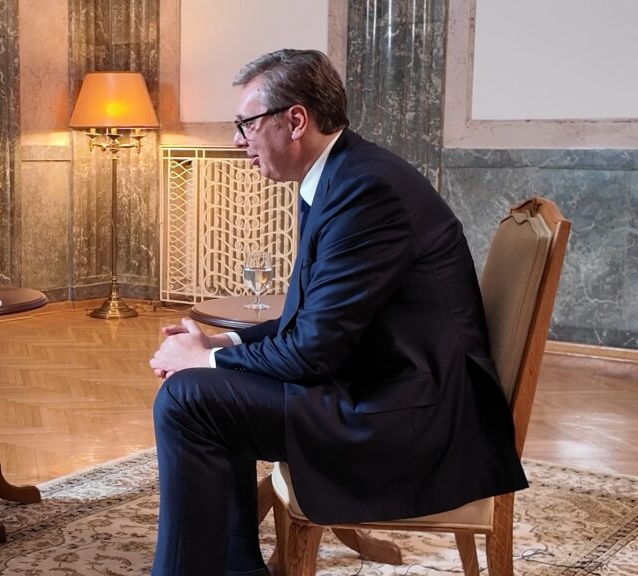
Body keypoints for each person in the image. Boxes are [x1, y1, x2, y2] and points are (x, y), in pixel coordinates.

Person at [149, 49, 528, 576]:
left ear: (295, 121)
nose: (238, 140)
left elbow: (313, 352)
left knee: (187, 398)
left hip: (410, 420)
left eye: (247, 124)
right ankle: (236, 567)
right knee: (201, 391)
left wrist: (203, 362)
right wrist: (222, 345)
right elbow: (316, 321)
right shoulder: (346, 175)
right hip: (386, 384)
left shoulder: (367, 191)